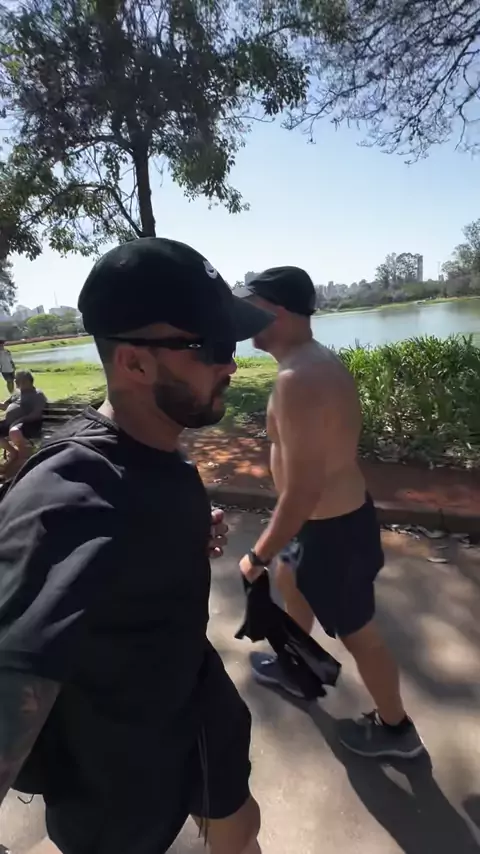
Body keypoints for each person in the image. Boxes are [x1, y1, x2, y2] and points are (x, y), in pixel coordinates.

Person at [0, 238, 274, 854]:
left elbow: (127, 527)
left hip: (194, 709)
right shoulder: (69, 496)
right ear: (134, 363)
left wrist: (179, 532)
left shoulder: (148, 448)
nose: (232, 364)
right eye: (212, 347)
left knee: (241, 829)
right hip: (120, 786)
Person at [235, 267, 424, 760]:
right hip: (322, 525)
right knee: (290, 582)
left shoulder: (299, 379)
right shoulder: (310, 362)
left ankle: (397, 731)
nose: (241, 314)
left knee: (361, 634)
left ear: (276, 311)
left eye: (250, 305)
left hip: (330, 532)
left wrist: (256, 554)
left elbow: (302, 491)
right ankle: (298, 670)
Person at [0, 369, 46, 475]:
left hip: (28, 424)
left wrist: (18, 421)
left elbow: (37, 414)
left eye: (17, 380)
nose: (15, 381)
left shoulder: (37, 394)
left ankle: (22, 460)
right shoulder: (17, 393)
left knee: (14, 432)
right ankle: (13, 453)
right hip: (10, 423)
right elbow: (5, 406)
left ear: (27, 381)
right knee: (12, 430)